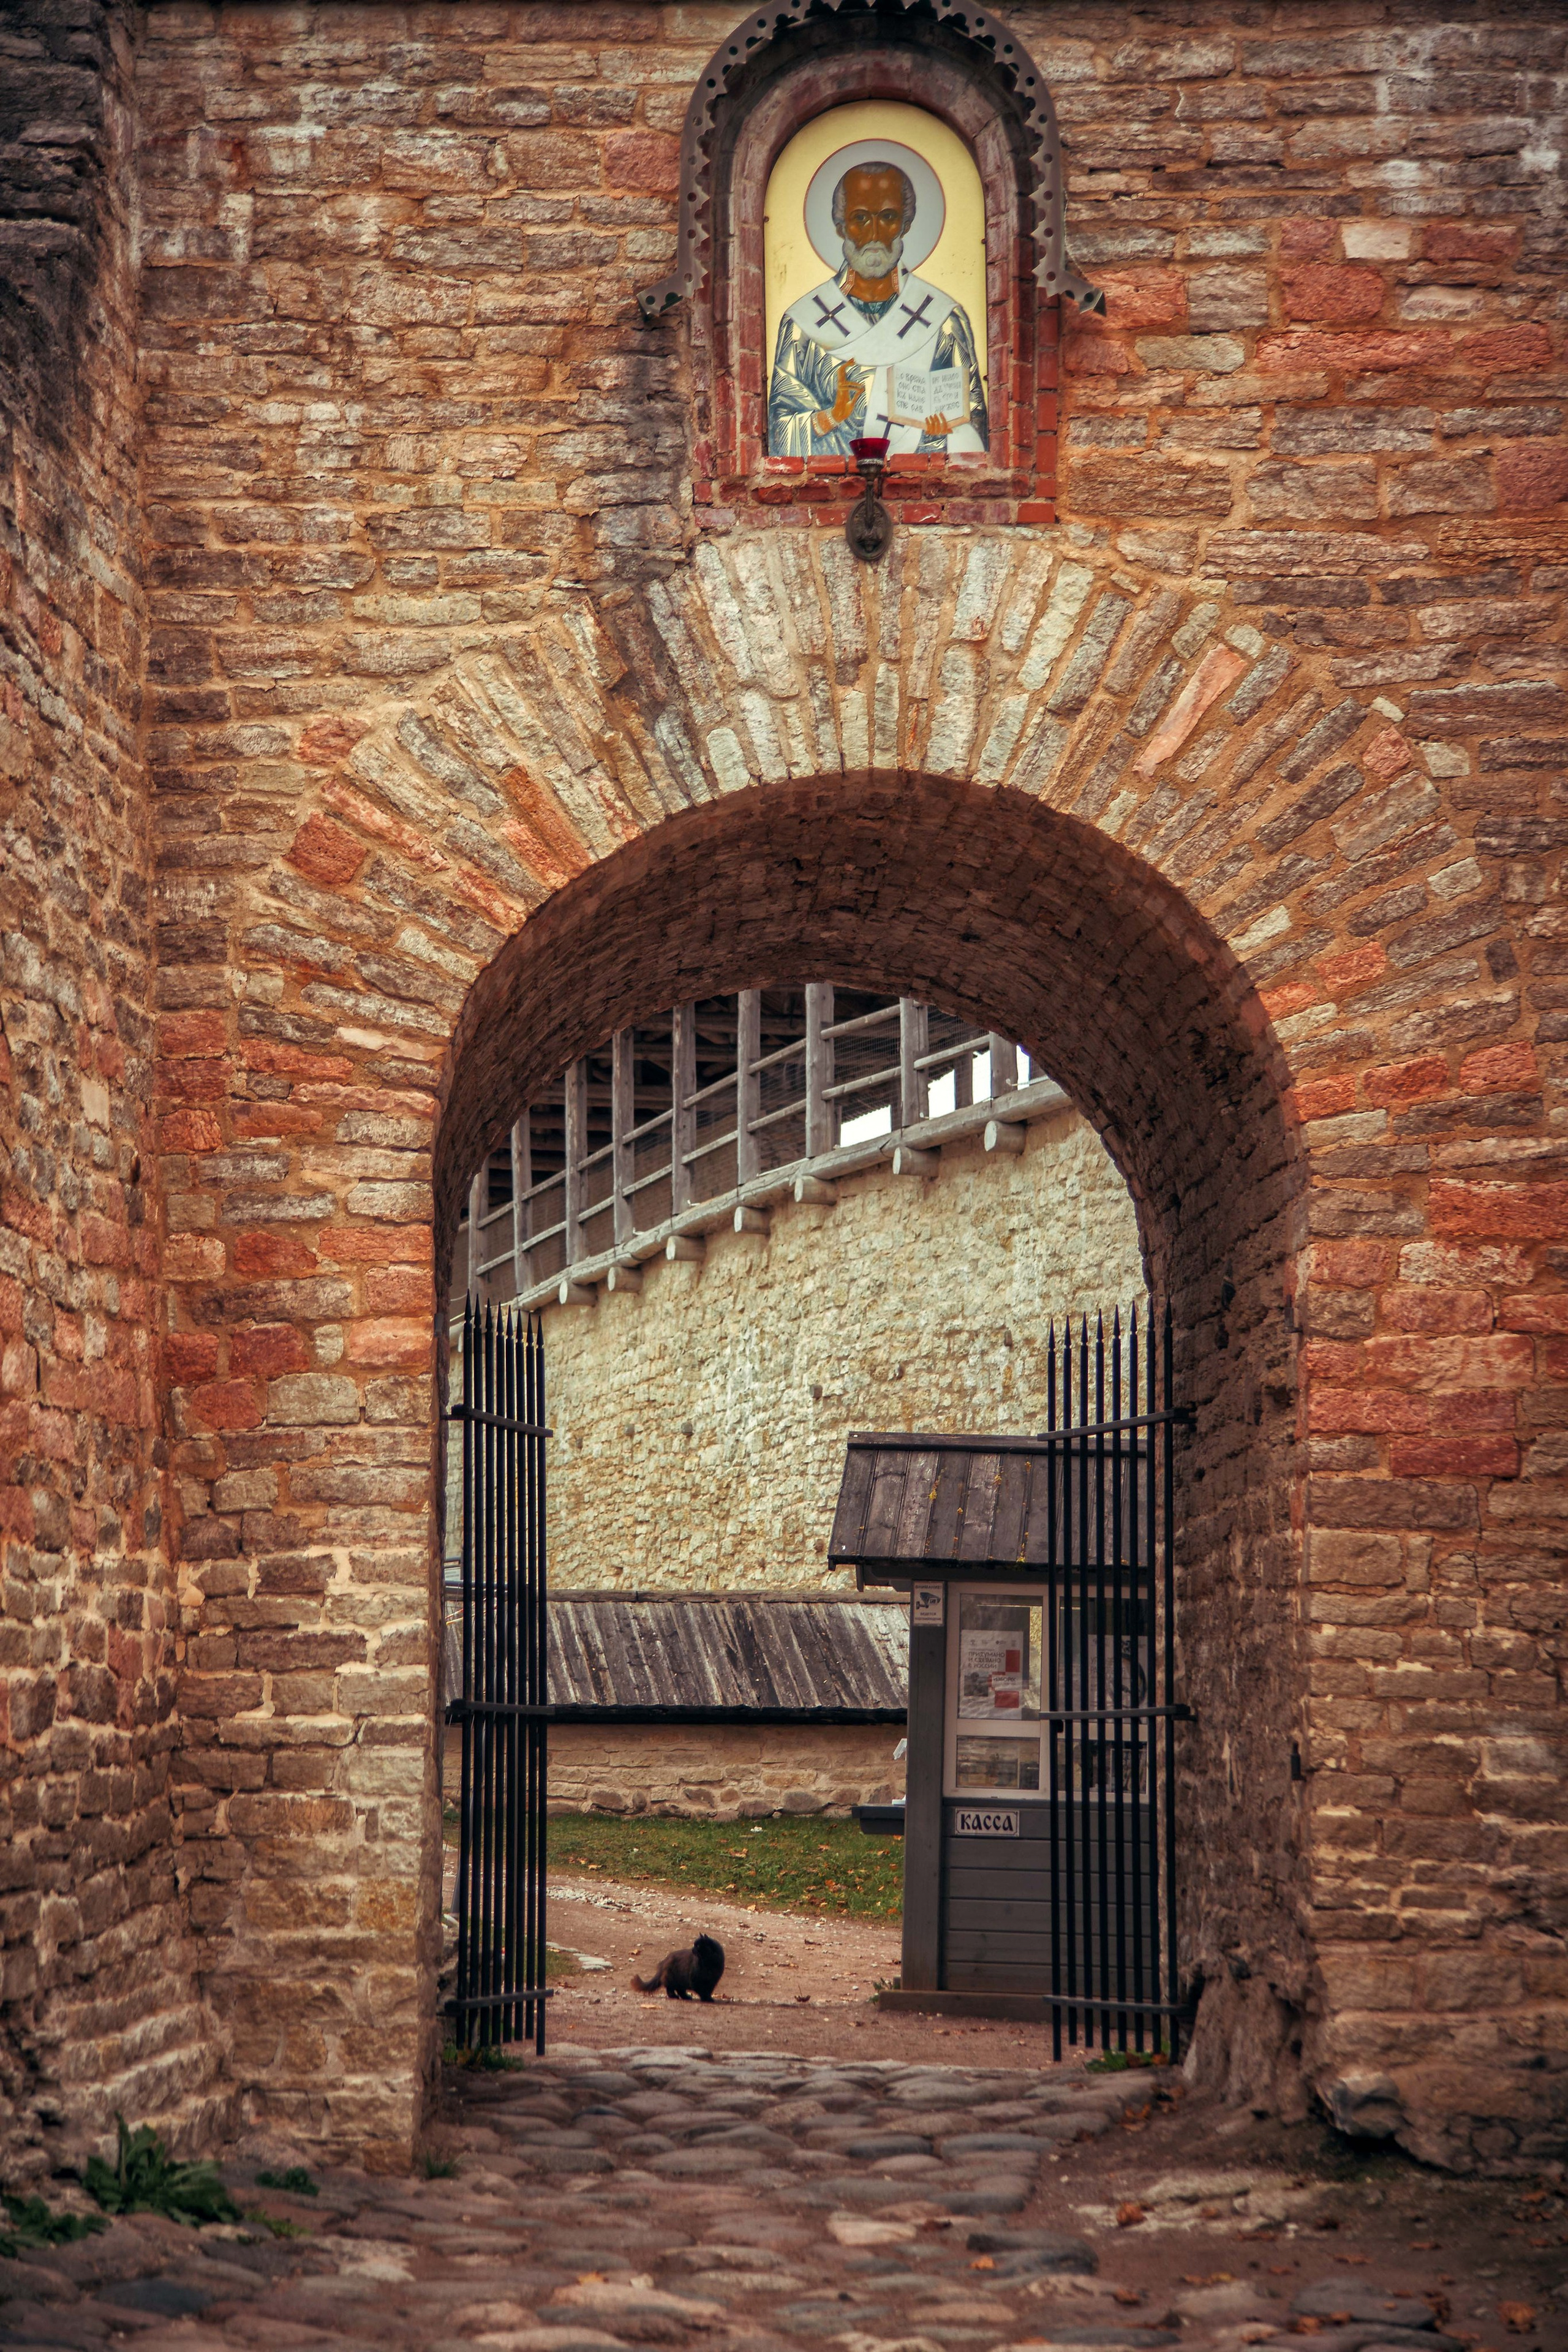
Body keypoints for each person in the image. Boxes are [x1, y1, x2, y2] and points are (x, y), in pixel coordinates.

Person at [767, 159, 989, 459]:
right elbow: (780, 432)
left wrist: (944, 435)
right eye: (860, 218)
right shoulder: (804, 324)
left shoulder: (942, 320)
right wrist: (833, 415)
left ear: (905, 224)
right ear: (840, 226)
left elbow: (972, 428)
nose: (874, 233)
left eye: (887, 217)